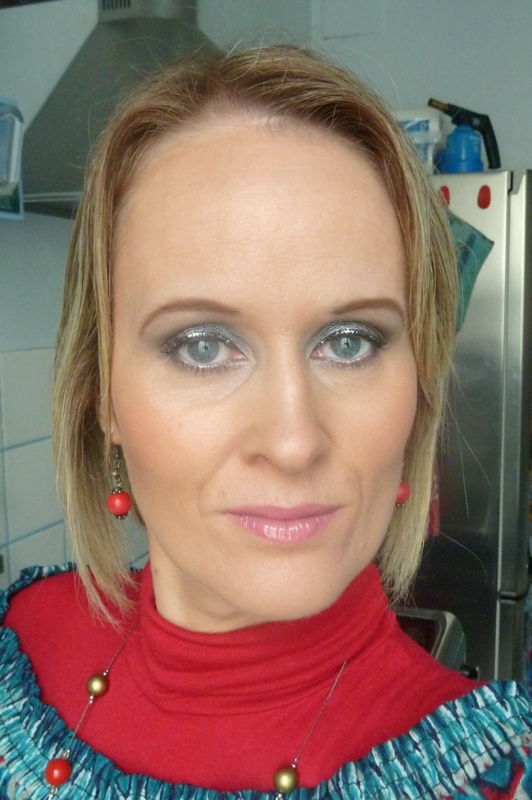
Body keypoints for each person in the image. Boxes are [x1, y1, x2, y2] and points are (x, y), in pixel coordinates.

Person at [1, 45, 530, 800]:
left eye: (349, 342)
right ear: (102, 396)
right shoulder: (19, 644)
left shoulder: (492, 778)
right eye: (203, 345)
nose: (293, 440)